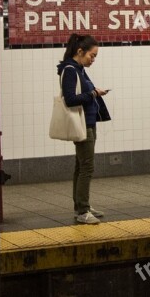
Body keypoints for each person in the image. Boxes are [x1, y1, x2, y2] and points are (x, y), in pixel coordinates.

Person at [56, 34, 111, 224]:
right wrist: (94, 93)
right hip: (82, 124)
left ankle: (81, 205)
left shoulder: (79, 69)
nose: (93, 60)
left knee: (81, 166)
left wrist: (93, 93)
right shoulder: (71, 70)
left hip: (88, 122)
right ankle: (82, 211)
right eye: (92, 55)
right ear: (80, 52)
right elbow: (70, 99)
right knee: (87, 167)